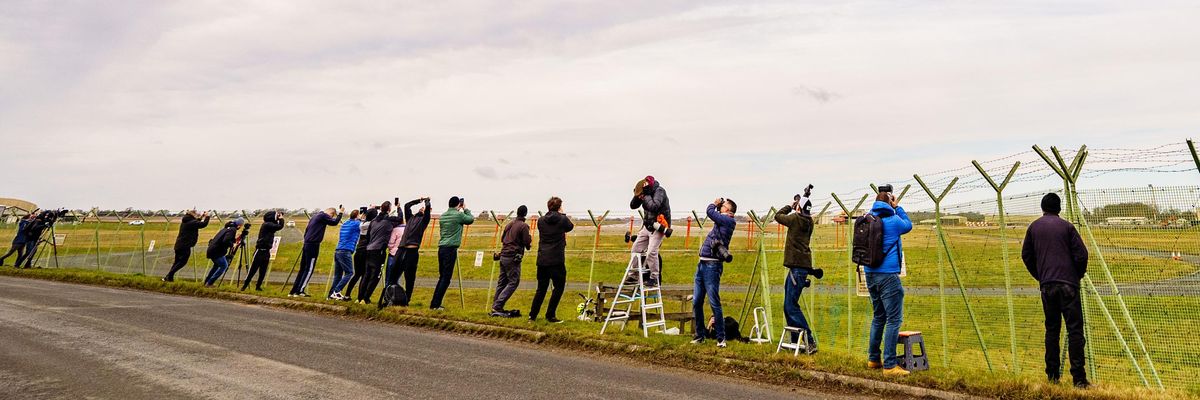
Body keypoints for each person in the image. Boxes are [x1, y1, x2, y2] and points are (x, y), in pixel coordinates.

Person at [1022, 193, 1090, 389]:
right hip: (1068, 284)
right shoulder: (1067, 227)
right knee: (1074, 330)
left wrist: (1041, 275)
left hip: (1047, 285)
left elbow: (1026, 255)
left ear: (1042, 207)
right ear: (1059, 208)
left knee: (1052, 330)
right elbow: (1082, 254)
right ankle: (1079, 379)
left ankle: (1052, 377)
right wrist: (1077, 275)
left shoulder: (1034, 227)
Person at [861, 190, 913, 376]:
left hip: (869, 274)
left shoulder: (868, 220)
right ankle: (890, 365)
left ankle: (873, 358)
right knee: (894, 319)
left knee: (878, 316)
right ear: (889, 202)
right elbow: (909, 225)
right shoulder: (893, 221)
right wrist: (897, 206)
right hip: (888, 276)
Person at [775, 187, 820, 353]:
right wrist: (800, 204)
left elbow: (778, 216)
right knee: (788, 306)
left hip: (796, 268)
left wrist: (790, 206)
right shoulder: (809, 221)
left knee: (791, 305)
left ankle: (808, 340)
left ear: (799, 208)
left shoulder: (795, 219)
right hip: (801, 267)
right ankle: (797, 342)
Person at [691, 197, 737, 348]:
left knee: (714, 302)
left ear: (728, 211)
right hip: (702, 263)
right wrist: (719, 207)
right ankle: (700, 335)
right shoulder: (722, 221)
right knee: (697, 301)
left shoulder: (729, 221)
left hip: (712, 265)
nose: (720, 207)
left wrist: (714, 203)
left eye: (723, 206)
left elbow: (709, 211)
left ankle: (720, 338)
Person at [529, 197, 573, 323]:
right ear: (559, 207)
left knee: (541, 288)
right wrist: (562, 214)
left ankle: (532, 315)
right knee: (558, 287)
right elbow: (570, 227)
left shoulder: (541, 220)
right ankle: (550, 314)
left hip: (542, 258)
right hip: (556, 259)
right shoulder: (562, 219)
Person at [430, 196, 474, 310]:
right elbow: (470, 219)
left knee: (442, 277)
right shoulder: (458, 215)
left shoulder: (443, 216)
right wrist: (465, 209)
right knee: (446, 278)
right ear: (458, 204)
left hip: (442, 248)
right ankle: (435, 305)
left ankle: (435, 303)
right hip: (450, 249)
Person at [627, 176, 671, 287]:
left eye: (641, 195)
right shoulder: (644, 194)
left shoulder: (659, 191)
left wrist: (645, 196)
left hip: (658, 226)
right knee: (636, 249)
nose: (641, 197)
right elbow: (633, 206)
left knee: (651, 252)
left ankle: (654, 278)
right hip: (647, 225)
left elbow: (654, 207)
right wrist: (637, 196)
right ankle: (633, 275)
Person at [291, 206, 343, 297]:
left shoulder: (315, 216)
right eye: (331, 215)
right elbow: (334, 222)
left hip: (307, 243)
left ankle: (294, 290)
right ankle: (300, 291)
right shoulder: (323, 216)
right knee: (309, 268)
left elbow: (307, 230)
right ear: (331, 213)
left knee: (303, 268)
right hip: (313, 245)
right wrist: (340, 213)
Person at [360, 202, 404, 304]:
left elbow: (368, 236)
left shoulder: (374, 220)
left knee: (366, 275)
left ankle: (360, 297)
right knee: (375, 276)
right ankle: (366, 298)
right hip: (379, 251)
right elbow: (400, 218)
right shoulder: (388, 219)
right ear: (389, 209)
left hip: (369, 249)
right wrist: (399, 208)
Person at [491, 205, 531, 317]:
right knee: (514, 282)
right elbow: (526, 241)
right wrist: (528, 242)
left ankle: (495, 306)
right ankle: (498, 305)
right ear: (525, 214)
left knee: (502, 282)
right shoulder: (523, 226)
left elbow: (503, 239)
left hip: (503, 255)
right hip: (513, 257)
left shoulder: (509, 224)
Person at [395, 197, 432, 303]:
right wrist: (419, 200)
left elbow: (427, 211)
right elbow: (407, 205)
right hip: (401, 250)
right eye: (421, 208)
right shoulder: (410, 218)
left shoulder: (424, 221)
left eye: (424, 209)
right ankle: (392, 295)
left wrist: (427, 202)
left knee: (409, 278)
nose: (422, 208)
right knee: (394, 275)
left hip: (412, 251)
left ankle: (407, 299)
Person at [242, 211, 285, 291]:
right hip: (259, 251)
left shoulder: (270, 225)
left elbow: (277, 226)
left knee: (263, 271)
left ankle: (258, 286)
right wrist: (281, 219)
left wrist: (279, 219)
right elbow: (279, 226)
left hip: (266, 251)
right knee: (253, 270)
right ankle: (245, 286)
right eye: (276, 216)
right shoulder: (267, 224)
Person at [163, 210, 211, 282]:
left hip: (179, 245)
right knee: (182, 262)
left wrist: (201, 217)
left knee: (177, 262)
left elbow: (196, 222)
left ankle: (169, 277)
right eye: (196, 214)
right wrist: (207, 216)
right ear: (193, 215)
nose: (197, 215)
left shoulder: (186, 220)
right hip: (185, 246)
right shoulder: (191, 222)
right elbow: (203, 224)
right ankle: (169, 275)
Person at [344, 207, 378, 299]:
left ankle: (347, 294)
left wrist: (370, 210)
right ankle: (361, 296)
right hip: (366, 251)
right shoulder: (372, 224)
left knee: (357, 274)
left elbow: (361, 218)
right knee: (364, 275)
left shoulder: (362, 223)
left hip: (358, 251)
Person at [328, 209, 361, 300]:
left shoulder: (345, 223)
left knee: (338, 275)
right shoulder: (356, 224)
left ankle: (331, 295)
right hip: (346, 251)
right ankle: (337, 291)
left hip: (338, 250)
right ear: (357, 216)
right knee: (349, 272)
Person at [203, 219, 243, 286]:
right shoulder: (233, 229)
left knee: (216, 266)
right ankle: (210, 283)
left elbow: (225, 238)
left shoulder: (226, 228)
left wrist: (236, 239)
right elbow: (226, 240)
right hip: (217, 251)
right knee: (224, 266)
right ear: (239, 225)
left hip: (212, 249)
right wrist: (232, 245)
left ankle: (207, 282)